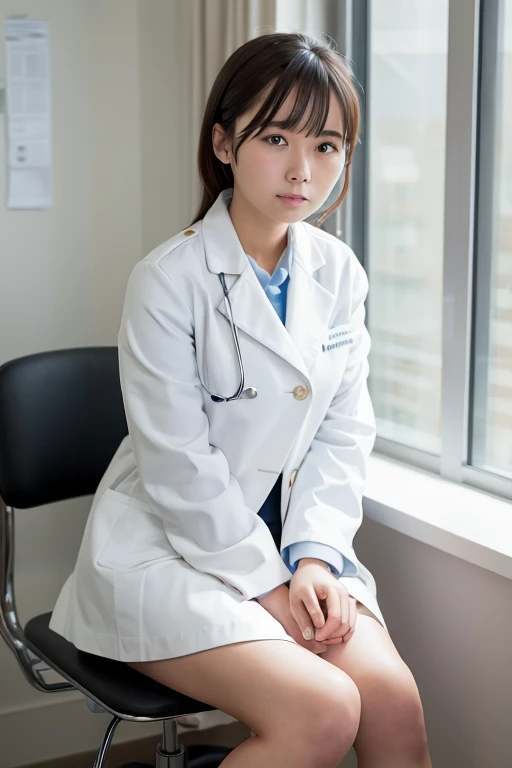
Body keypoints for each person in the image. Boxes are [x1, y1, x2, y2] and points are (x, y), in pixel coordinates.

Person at [49, 31, 431, 768]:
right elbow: (177, 467)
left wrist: (315, 558)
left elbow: (343, 435)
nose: (302, 168)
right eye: (276, 137)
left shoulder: (338, 274)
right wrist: (270, 587)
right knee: (324, 711)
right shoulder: (167, 279)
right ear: (224, 143)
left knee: (391, 701)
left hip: (298, 548)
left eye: (327, 145)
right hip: (169, 547)